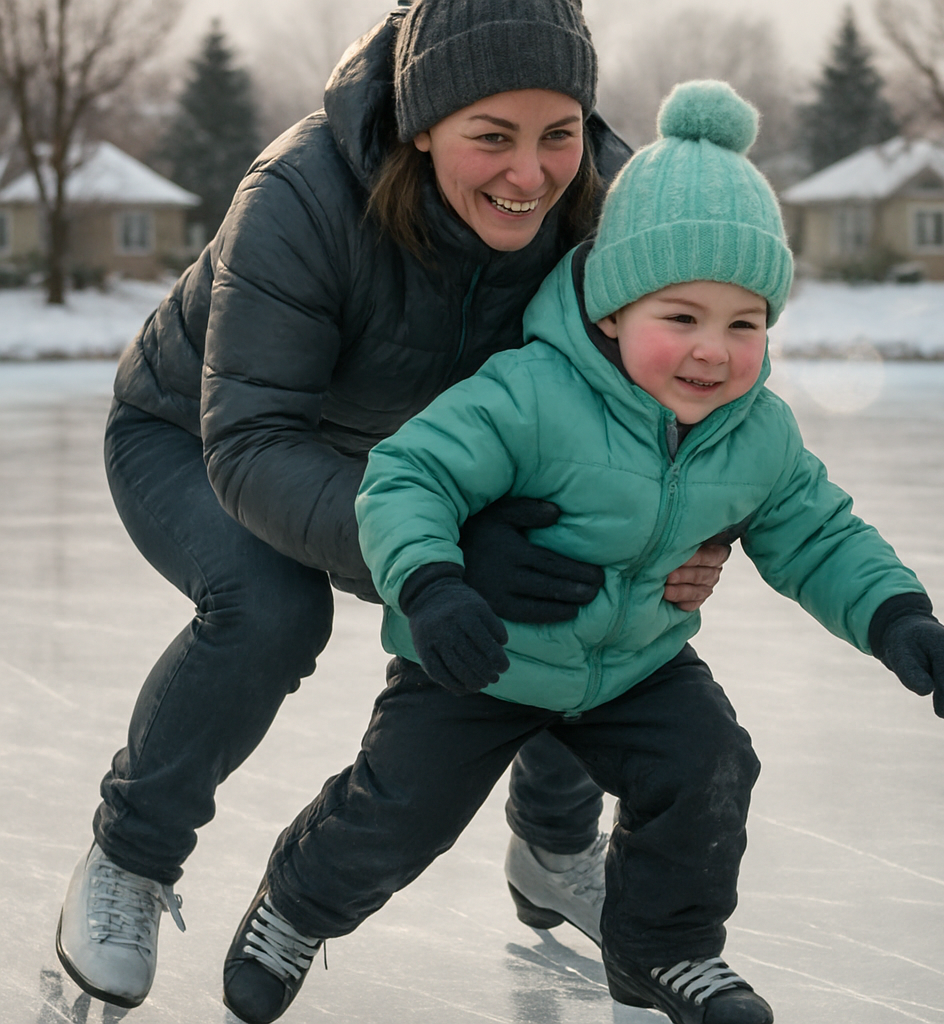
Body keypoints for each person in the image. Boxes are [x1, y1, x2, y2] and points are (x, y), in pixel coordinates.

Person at [219, 80, 944, 1024]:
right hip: (483, 656)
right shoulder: (531, 392)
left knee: (709, 765)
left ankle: (665, 951)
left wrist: (898, 616)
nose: (713, 352)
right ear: (615, 310)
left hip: (633, 664)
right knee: (399, 813)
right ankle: (296, 907)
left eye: (744, 323)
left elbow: (818, 532)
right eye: (682, 318)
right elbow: (410, 475)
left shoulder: (758, 432)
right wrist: (434, 586)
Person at [53, 0, 730, 1011]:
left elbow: (678, 382)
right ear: (421, 124)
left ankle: (554, 848)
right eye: (490, 137)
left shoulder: (607, 203)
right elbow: (253, 442)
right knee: (271, 609)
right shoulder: (300, 196)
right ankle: (129, 857)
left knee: (574, 548)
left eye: (559, 133)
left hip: (421, 460)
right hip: (198, 436)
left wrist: (697, 526)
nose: (530, 174)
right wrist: (437, 551)